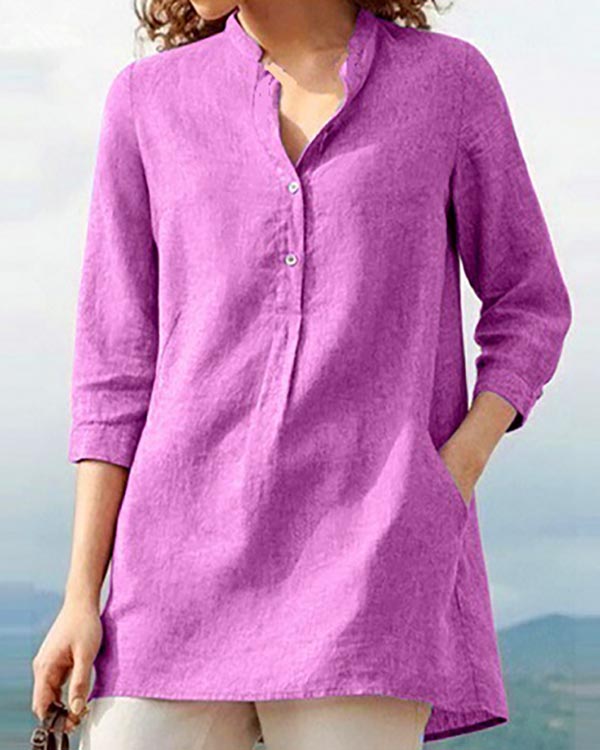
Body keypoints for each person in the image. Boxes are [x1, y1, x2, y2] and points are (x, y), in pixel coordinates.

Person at [31, 1, 572, 748]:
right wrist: (79, 596)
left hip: (368, 572)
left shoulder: (447, 84)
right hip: (171, 576)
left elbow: (531, 300)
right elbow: (115, 369)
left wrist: (452, 471)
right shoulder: (145, 102)